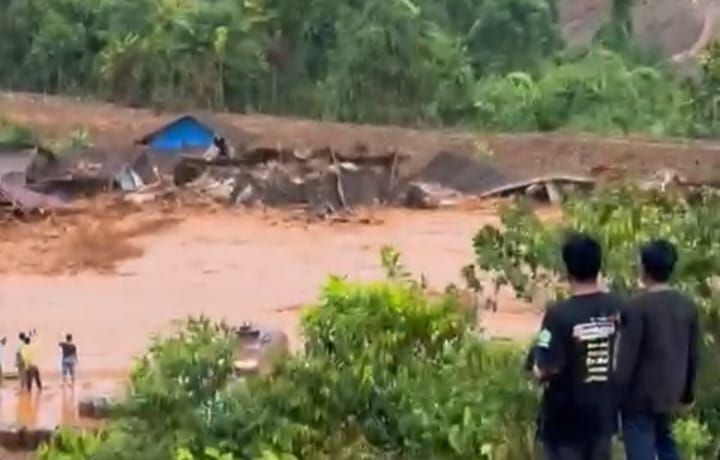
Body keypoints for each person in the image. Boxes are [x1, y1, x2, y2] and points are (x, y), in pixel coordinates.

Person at [529, 232, 622, 460]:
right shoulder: (619, 306)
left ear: (567, 269)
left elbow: (547, 366)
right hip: (604, 415)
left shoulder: (559, 314)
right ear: (599, 266)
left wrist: (536, 369)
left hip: (565, 422)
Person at [615, 240, 699, 460]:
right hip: (671, 391)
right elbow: (693, 354)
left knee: (640, 449)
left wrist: (614, 395)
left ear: (644, 267)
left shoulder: (636, 307)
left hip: (639, 398)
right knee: (666, 444)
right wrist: (687, 393)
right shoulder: (686, 304)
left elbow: (626, 358)